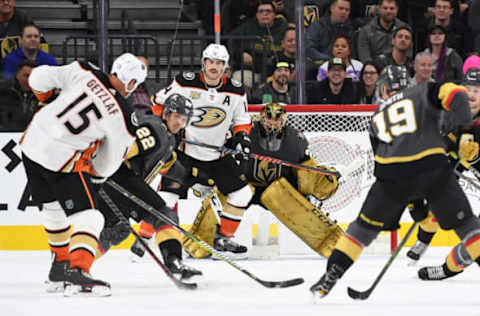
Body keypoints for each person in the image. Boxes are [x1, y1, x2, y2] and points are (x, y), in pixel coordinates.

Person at [310, 65, 480, 299]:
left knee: (360, 230)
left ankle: (331, 274)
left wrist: (411, 199)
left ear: (382, 90)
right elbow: (455, 96)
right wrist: (465, 134)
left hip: (391, 178)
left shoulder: (376, 116)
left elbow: (382, 158)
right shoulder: (423, 93)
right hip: (431, 169)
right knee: (470, 230)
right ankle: (433, 252)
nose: (471, 94)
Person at [20, 53, 147, 296]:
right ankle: (77, 271)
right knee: (91, 217)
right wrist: (96, 175)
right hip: (59, 159)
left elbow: (37, 77)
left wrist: (46, 99)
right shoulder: (124, 115)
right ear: (131, 83)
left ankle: (59, 268)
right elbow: (110, 162)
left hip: (31, 142)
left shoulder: (83, 69)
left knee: (53, 209)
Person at [182, 103, 343, 260]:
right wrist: (207, 178)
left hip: (278, 190)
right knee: (226, 194)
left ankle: (334, 244)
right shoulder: (246, 133)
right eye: (269, 119)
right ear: (261, 118)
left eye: (277, 120)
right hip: (243, 185)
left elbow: (307, 173)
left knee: (287, 200)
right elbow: (220, 160)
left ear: (284, 121)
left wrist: (323, 180)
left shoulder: (295, 140)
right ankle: (200, 243)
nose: (272, 123)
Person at [150, 43, 254, 259]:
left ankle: (224, 237)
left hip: (217, 156)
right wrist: (170, 128)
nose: (214, 67)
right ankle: (144, 238)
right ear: (203, 63)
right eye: (210, 62)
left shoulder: (236, 89)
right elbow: (157, 103)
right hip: (185, 154)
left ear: (225, 66)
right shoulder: (184, 83)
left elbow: (242, 120)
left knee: (243, 193)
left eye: (219, 63)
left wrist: (242, 137)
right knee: (167, 197)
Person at [94, 93, 203, 282]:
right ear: (167, 113)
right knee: (164, 215)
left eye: (184, 119)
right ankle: (174, 261)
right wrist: (102, 169)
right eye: (177, 116)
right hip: (120, 178)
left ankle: (71, 265)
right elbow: (127, 149)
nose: (179, 123)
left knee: (115, 232)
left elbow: (170, 166)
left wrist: (196, 177)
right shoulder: (155, 128)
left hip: (113, 184)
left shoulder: (167, 139)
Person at [406, 69, 480, 272]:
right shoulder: (445, 115)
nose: (472, 95)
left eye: (477, 90)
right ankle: (425, 235)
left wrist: (474, 158)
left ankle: (448, 269)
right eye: (468, 89)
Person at [229, 0, 288, 89]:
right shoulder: (247, 27)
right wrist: (240, 54)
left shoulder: (282, 27)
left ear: (274, 15)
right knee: (237, 78)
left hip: (277, 72)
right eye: (261, 12)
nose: (265, 14)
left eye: (268, 11)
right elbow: (231, 41)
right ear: (257, 15)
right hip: (253, 72)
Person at [0, 59, 38, 129]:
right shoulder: (3, 91)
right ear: (18, 75)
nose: (30, 80)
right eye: (26, 76)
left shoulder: (45, 93)